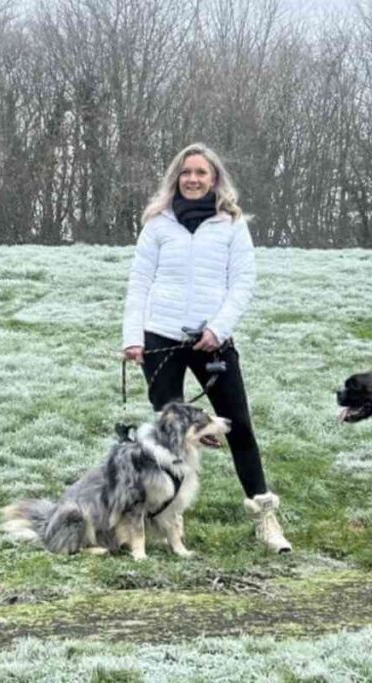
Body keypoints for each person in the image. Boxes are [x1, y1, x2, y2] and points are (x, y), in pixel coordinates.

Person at [122, 142, 291, 553]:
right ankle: (168, 518)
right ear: (176, 178)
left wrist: (219, 327)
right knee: (170, 435)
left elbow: (243, 283)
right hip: (161, 337)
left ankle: (264, 516)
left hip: (213, 341)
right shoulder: (158, 223)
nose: (193, 179)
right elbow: (139, 280)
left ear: (214, 179)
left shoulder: (232, 224)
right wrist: (133, 337)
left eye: (201, 173)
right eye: (186, 173)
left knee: (239, 426)